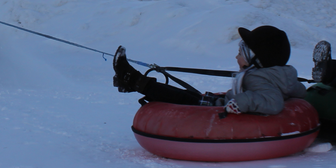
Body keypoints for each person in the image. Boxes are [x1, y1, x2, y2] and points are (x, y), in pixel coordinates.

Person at [112, 25, 307, 115]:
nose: (236, 58)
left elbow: (273, 102)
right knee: (187, 96)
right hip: (221, 102)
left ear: (255, 60)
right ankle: (133, 80)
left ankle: (132, 80)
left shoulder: (257, 79)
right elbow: (295, 93)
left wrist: (240, 102)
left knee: (182, 98)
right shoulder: (280, 76)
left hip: (221, 108)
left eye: (240, 53)